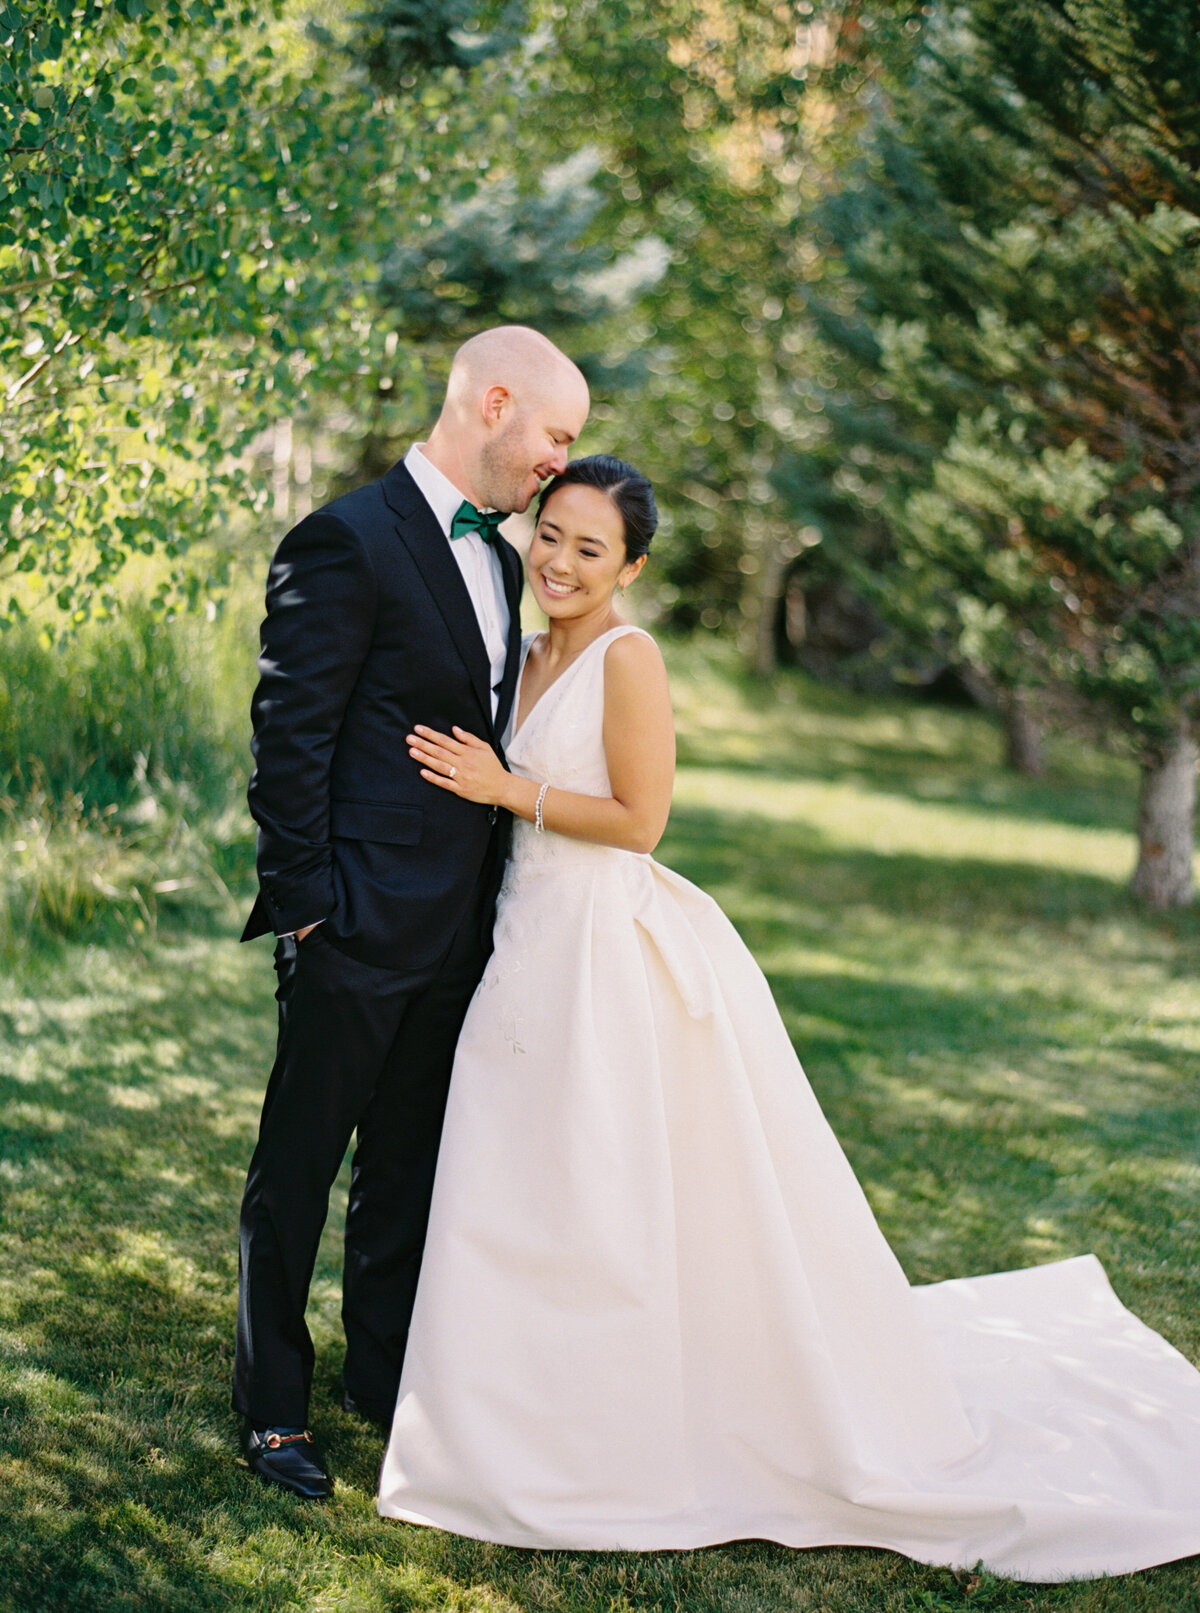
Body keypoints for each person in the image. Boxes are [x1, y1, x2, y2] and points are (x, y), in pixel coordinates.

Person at [377, 453, 1200, 1581]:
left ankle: (609, 1428)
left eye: (590, 548)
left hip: (599, 951)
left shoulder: (631, 657)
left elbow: (640, 818)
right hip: (521, 944)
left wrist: (505, 787)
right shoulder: (519, 653)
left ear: (632, 566)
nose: (561, 562)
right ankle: (502, 1413)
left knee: (602, 1181)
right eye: (551, 536)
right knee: (512, 1175)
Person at [234, 326, 590, 1499]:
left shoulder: (502, 556)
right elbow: (290, 739)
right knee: (298, 1167)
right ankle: (272, 1402)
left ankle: (379, 1381)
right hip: (351, 923)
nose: (560, 459)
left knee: (408, 1169)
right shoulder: (346, 539)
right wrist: (307, 913)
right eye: (555, 434)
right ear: (494, 403)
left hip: (458, 933)